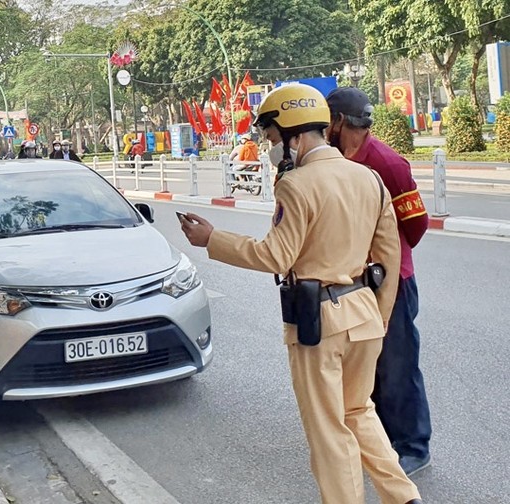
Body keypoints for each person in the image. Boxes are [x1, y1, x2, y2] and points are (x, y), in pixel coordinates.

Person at [179, 84, 422, 504]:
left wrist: (212, 239)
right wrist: (379, 316)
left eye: (272, 138)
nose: (271, 148)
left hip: (319, 323)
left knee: (329, 430)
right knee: (359, 412)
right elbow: (389, 254)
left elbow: (276, 255)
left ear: (294, 135)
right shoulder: (368, 178)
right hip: (365, 317)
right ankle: (405, 497)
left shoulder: (296, 186)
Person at [326, 86, 432, 476]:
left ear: (338, 123)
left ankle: (413, 445)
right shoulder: (330, 160)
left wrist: (388, 257)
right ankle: (377, 439)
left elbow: (416, 224)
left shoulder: (387, 164)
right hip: (350, 280)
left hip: (392, 282)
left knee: (397, 366)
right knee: (362, 366)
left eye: (327, 125)